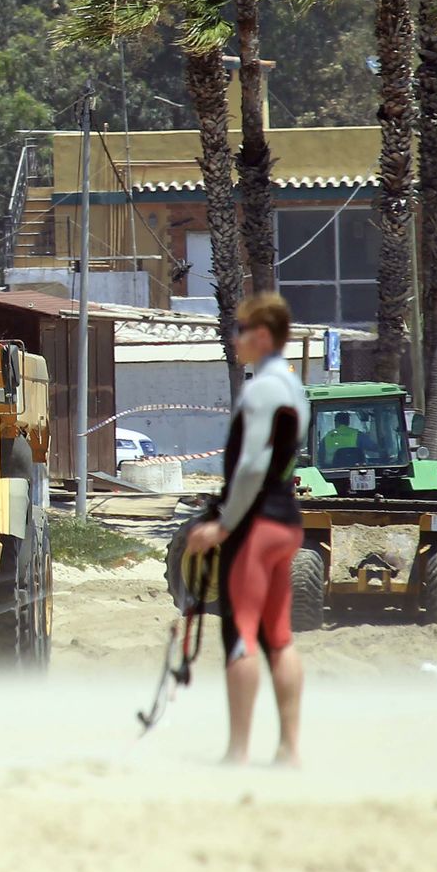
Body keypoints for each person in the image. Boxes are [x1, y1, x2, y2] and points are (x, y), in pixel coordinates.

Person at [186, 292, 311, 767]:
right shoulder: (296, 389)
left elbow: (253, 467)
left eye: (240, 330)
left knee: (240, 634)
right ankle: (289, 749)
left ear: (262, 335)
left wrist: (222, 525)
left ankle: (238, 751)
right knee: (279, 636)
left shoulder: (261, 390)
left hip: (255, 527)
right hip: (287, 521)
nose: (234, 338)